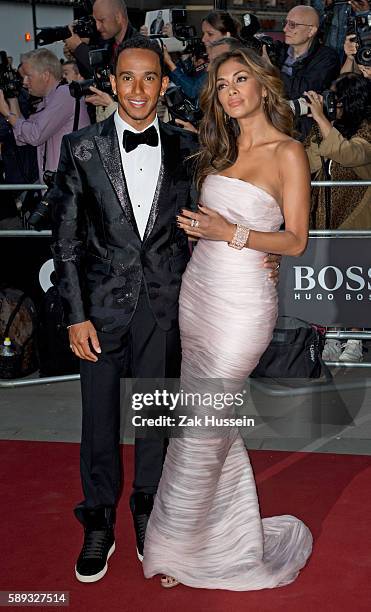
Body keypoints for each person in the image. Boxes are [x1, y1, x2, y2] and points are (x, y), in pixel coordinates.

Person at [50, 36, 281, 584]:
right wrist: (75, 313)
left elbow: (222, 213)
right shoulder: (80, 147)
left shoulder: (189, 148)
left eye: (148, 77)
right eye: (126, 77)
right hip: (101, 311)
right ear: (111, 82)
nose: (137, 88)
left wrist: (261, 255)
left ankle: (149, 509)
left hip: (167, 307)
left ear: (162, 83)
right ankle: (99, 519)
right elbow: (65, 242)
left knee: (155, 419)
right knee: (99, 421)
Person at [143, 48, 313, 590]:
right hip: (199, 293)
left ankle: (174, 545)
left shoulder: (288, 152)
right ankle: (215, 533)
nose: (232, 90)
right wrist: (205, 231)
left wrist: (230, 233)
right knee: (205, 424)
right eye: (221, 85)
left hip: (242, 308)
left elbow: (296, 240)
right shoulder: (217, 149)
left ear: (263, 86)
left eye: (241, 79)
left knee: (198, 428)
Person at [305, 73, 371, 362]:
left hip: (356, 220)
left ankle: (355, 340)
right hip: (323, 217)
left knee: (355, 279)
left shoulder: (368, 130)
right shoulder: (324, 129)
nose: (332, 103)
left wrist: (322, 121)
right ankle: (332, 334)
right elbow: (308, 161)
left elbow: (349, 154)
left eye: (337, 98)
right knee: (328, 278)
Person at [0, 49, 90, 183]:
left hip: (69, 187)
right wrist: (12, 99)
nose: (24, 82)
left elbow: (35, 135)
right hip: (58, 186)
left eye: (28, 76)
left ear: (45, 75)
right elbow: (23, 136)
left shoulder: (65, 94)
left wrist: (7, 113)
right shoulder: (47, 101)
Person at [280, 5, 340, 139]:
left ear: (311, 30)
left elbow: (304, 91)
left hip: (305, 135)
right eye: (285, 23)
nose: (285, 29)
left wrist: (269, 70)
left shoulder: (327, 57)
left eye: (293, 25)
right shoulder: (279, 51)